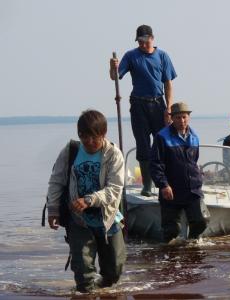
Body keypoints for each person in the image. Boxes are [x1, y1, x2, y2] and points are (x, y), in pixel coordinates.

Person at [47, 110, 126, 293]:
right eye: (84, 137)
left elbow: (114, 190)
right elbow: (56, 181)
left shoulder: (114, 154)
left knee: (114, 271)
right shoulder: (71, 151)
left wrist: (90, 200)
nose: (89, 142)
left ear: (103, 134)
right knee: (83, 275)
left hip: (108, 219)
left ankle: (102, 288)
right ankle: (87, 290)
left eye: (94, 137)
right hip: (78, 220)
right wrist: (53, 210)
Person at [109, 24, 177, 197]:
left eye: (145, 41)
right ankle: (147, 185)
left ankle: (164, 183)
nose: (142, 44)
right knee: (143, 145)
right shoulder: (131, 56)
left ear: (152, 38)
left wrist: (168, 108)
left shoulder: (162, 56)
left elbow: (168, 84)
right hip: (138, 104)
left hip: (158, 103)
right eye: (139, 41)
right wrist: (112, 67)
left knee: (162, 143)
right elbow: (115, 77)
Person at [150, 102, 207, 243]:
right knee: (171, 230)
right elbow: (155, 164)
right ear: (172, 118)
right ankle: (170, 259)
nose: (182, 121)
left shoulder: (194, 136)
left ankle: (191, 247)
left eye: (184, 117)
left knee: (201, 221)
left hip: (192, 189)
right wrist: (163, 185)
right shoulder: (161, 137)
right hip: (171, 190)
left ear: (189, 117)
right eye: (178, 118)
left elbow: (194, 160)